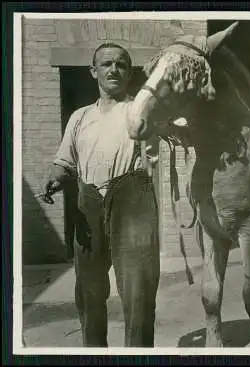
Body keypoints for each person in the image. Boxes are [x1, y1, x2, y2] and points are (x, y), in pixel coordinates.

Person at [41, 42, 161, 348]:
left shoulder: (141, 111)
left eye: (121, 64)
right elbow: (64, 161)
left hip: (132, 204)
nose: (114, 70)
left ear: (129, 73)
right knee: (89, 291)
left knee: (138, 290)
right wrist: (56, 178)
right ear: (93, 72)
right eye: (106, 64)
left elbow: (168, 137)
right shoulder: (80, 117)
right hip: (89, 203)